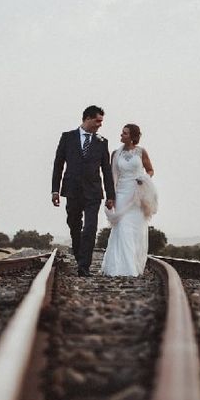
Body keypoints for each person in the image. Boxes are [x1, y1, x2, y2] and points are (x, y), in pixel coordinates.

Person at [51, 106, 116, 277]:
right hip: (72, 189)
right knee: (74, 224)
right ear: (87, 118)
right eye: (98, 121)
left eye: (101, 121)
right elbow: (58, 165)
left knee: (90, 227)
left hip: (94, 192)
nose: (100, 125)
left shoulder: (102, 142)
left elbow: (106, 170)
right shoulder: (67, 138)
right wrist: (55, 191)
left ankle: (84, 266)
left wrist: (111, 195)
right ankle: (79, 254)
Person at [101, 124, 158, 277]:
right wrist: (111, 197)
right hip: (121, 194)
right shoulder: (115, 154)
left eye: (125, 133)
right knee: (122, 228)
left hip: (138, 195)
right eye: (122, 132)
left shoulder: (141, 152)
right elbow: (112, 177)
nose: (122, 135)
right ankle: (122, 268)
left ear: (133, 136)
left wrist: (144, 178)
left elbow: (150, 170)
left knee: (136, 231)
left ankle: (133, 264)